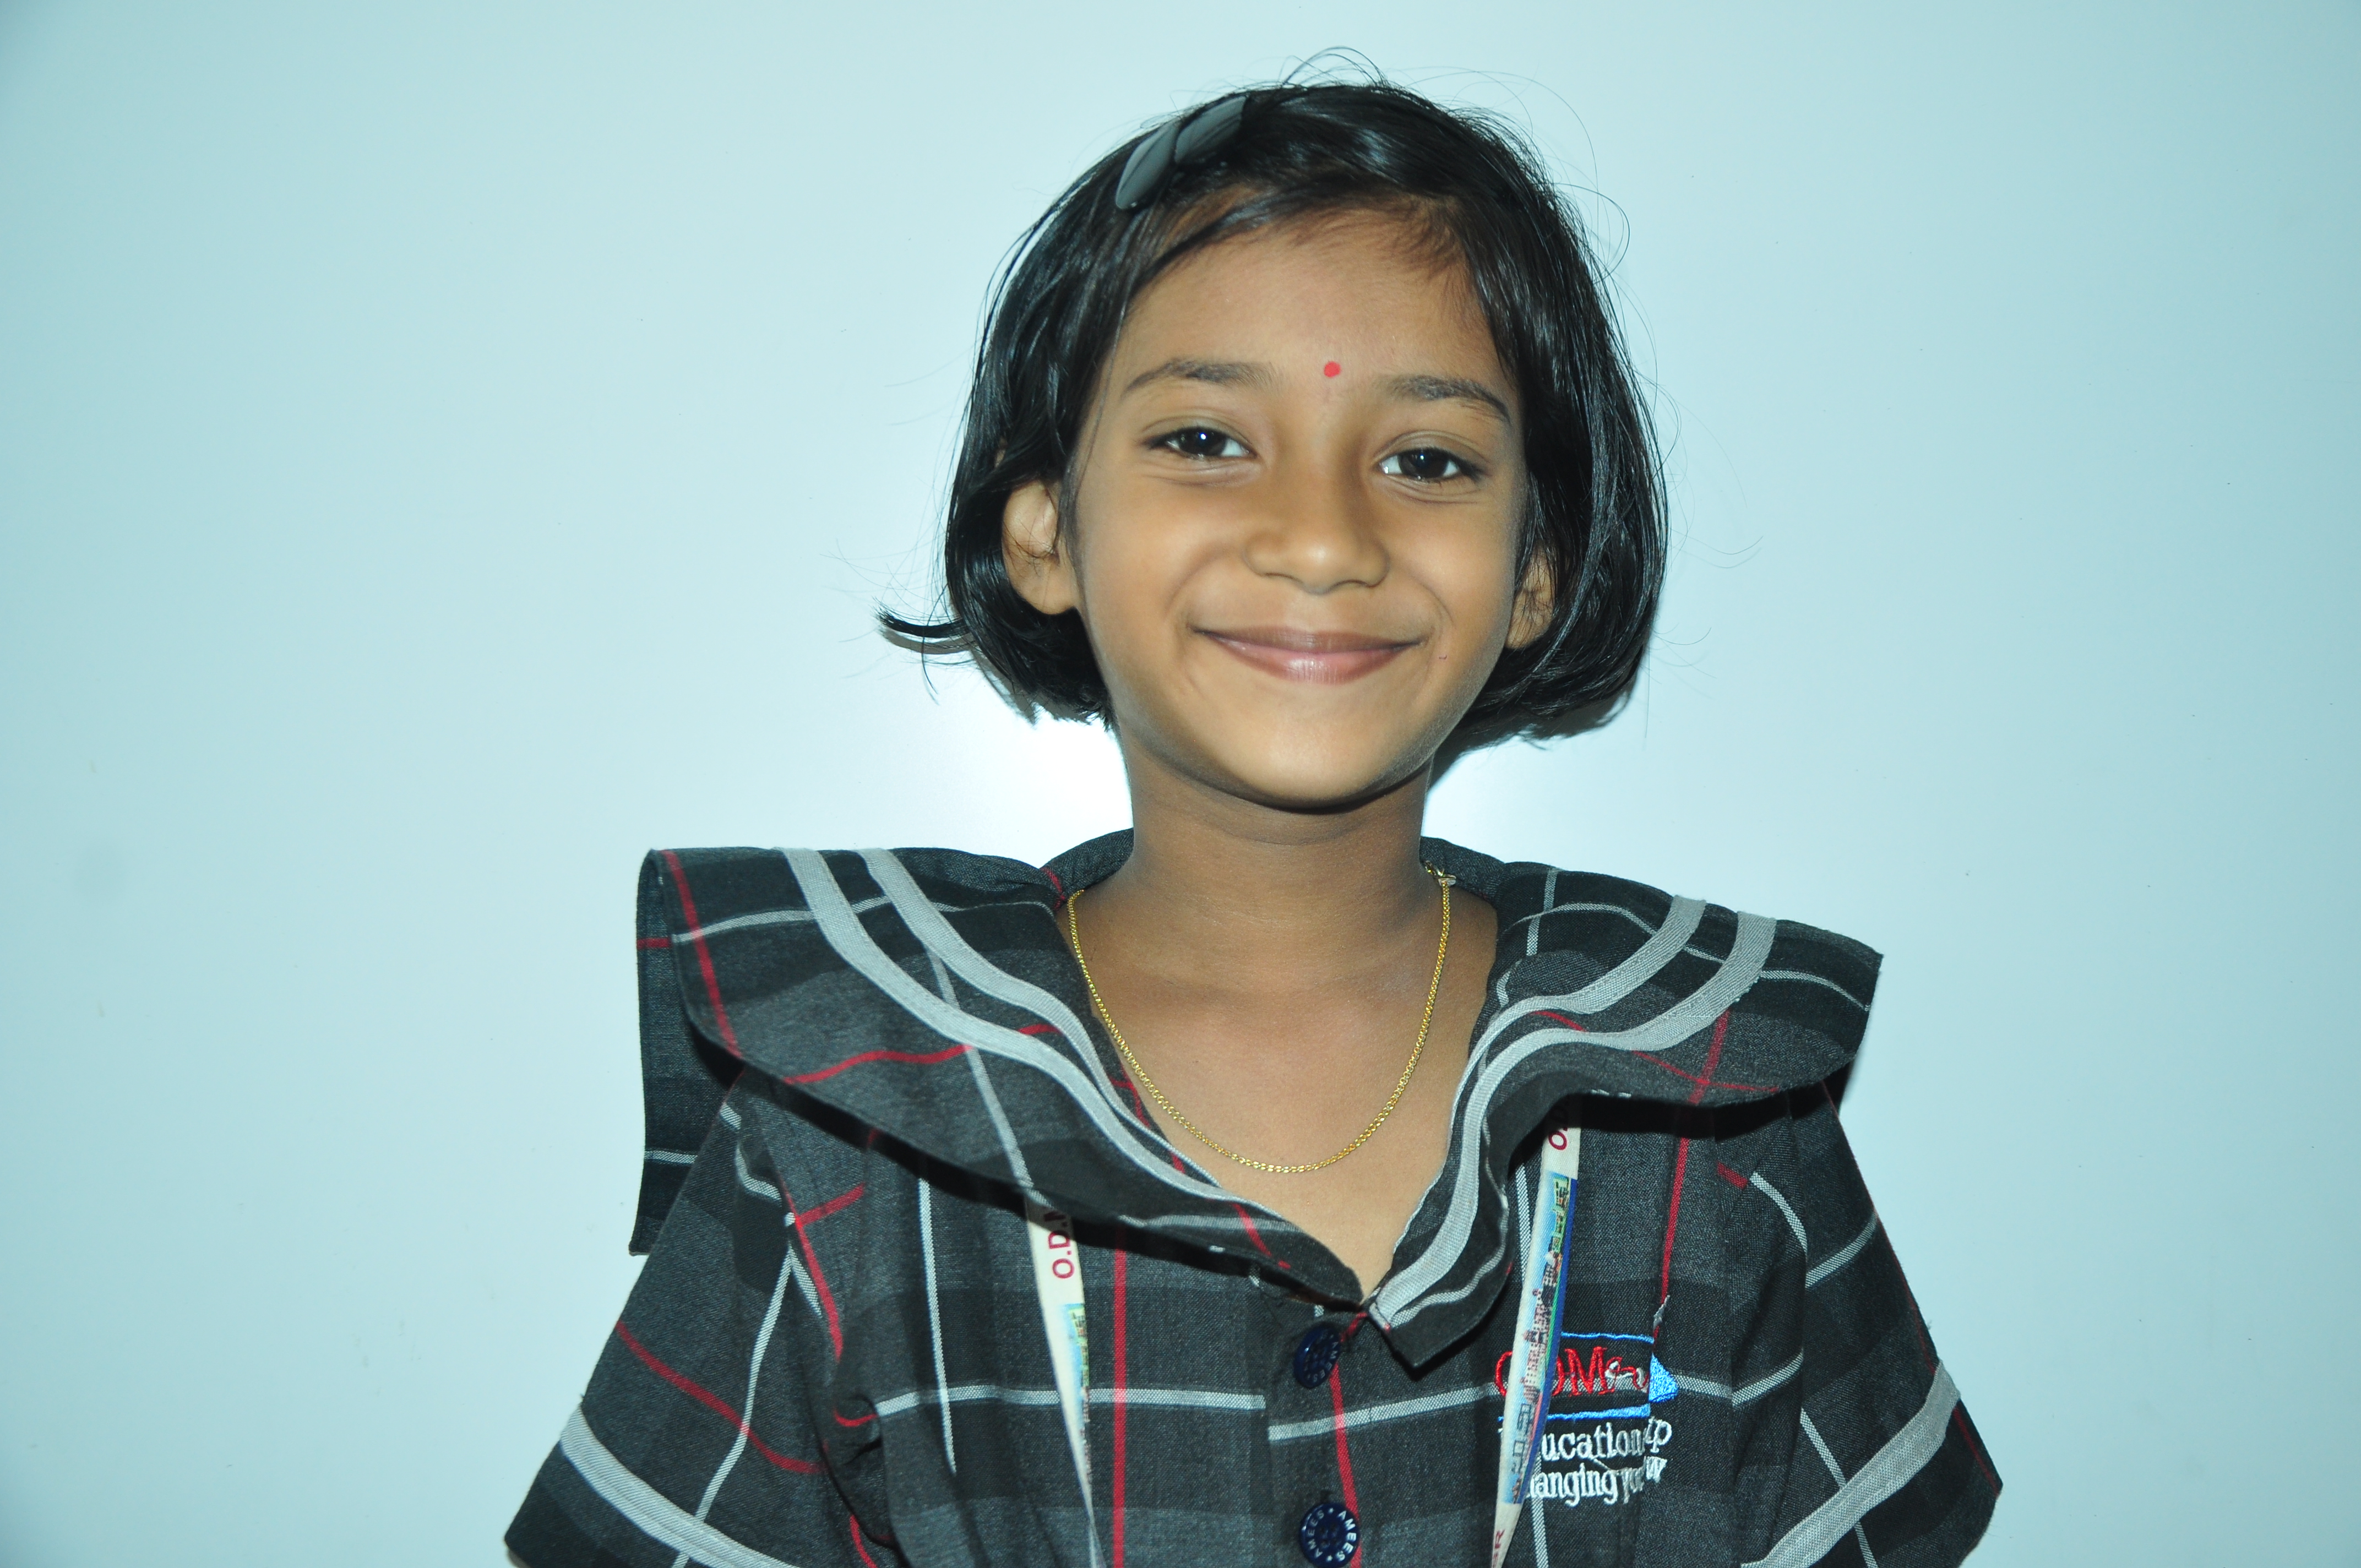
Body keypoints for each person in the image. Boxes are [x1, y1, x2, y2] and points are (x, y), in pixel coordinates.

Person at [506, 80, 1999, 1568]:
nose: (1322, 540)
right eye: (1208, 439)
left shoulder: (1717, 1111)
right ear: (1046, 529)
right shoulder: (839, 1114)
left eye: (1427, 461)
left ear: (1536, 569)